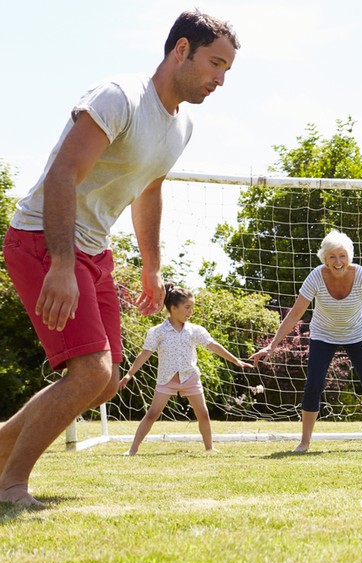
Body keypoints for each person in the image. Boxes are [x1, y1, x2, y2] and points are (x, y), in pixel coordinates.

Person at [0, 10, 239, 506]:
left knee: (104, 383)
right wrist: (63, 266)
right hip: (44, 238)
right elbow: (63, 176)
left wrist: (151, 265)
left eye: (227, 71)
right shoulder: (118, 97)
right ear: (180, 50)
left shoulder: (183, 125)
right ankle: (10, 485)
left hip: (94, 250)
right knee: (90, 372)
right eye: (214, 63)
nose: (219, 79)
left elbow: (149, 190)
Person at [251, 231, 362, 453]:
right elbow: (295, 314)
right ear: (324, 259)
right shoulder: (316, 277)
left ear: (349, 256)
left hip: (358, 334)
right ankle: (304, 443)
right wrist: (272, 345)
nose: (337, 261)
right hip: (323, 335)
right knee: (314, 384)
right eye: (332, 257)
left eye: (342, 256)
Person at [119, 285, 253, 455]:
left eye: (192, 307)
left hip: (190, 378)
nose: (190, 312)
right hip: (167, 380)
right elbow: (144, 354)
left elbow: (213, 346)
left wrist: (235, 360)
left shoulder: (194, 330)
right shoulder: (157, 332)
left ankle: (209, 448)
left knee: (203, 414)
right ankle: (132, 449)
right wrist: (129, 374)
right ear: (173, 309)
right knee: (152, 414)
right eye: (187, 307)